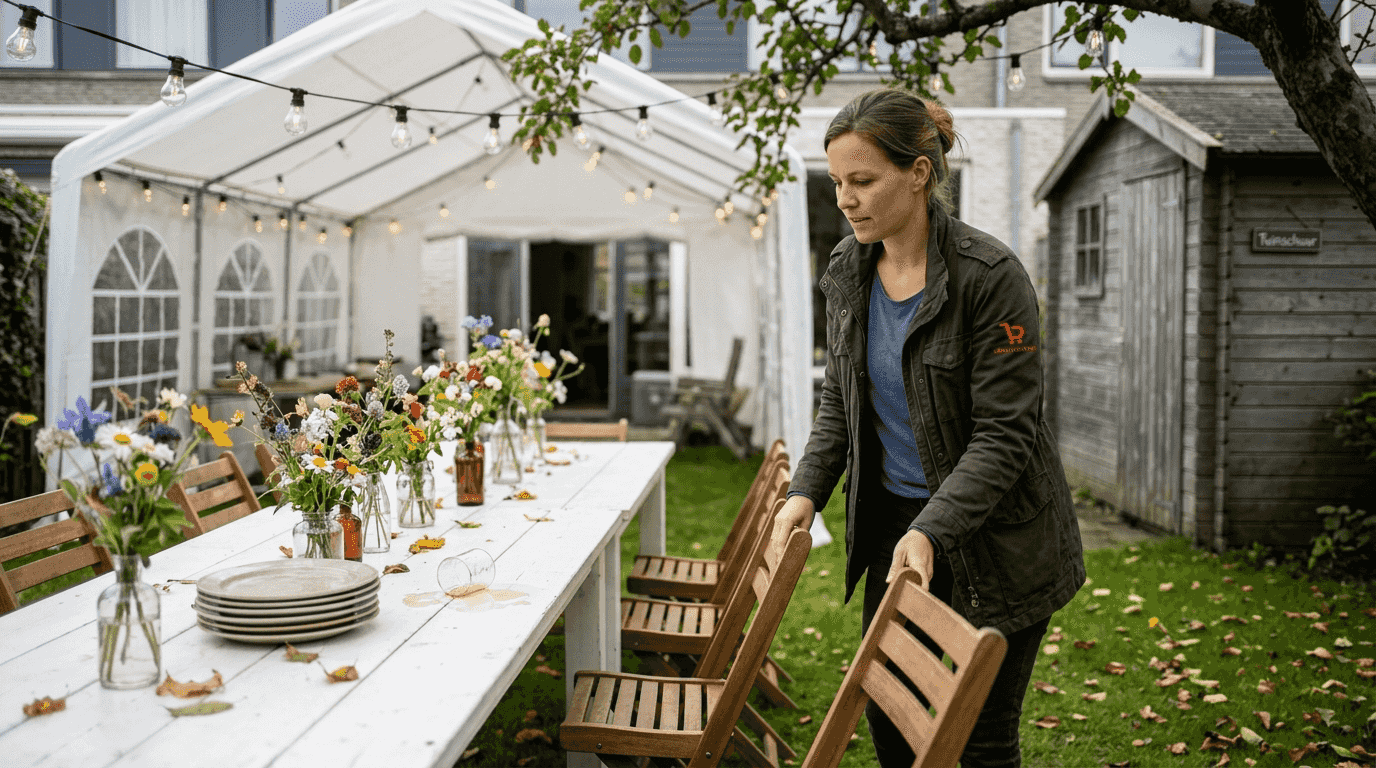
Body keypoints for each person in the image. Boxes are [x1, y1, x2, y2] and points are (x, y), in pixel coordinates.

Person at [769, 88, 1086, 768]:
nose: (845, 199)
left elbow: (1007, 433)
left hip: (999, 540)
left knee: (979, 741)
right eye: (837, 183)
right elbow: (840, 400)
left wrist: (932, 530)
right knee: (889, 719)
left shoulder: (991, 277)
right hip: (896, 533)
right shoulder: (847, 270)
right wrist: (806, 491)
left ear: (918, 173)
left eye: (863, 181)